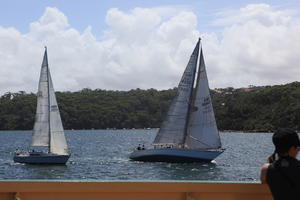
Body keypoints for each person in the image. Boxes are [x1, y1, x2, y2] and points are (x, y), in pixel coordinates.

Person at [260, 128, 300, 200]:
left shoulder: (265, 169)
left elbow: (263, 180)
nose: (299, 149)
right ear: (291, 148)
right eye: (297, 147)